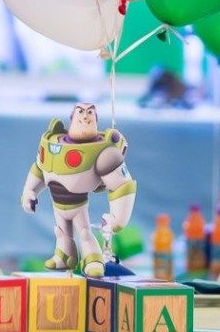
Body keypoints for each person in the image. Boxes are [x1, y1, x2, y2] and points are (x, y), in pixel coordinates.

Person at [21, 103, 137, 277]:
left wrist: (118, 219)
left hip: (78, 205)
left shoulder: (104, 152)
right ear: (72, 118)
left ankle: (93, 259)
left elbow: (121, 185)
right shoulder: (52, 142)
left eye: (90, 112)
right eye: (81, 112)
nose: (85, 116)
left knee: (84, 232)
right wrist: (29, 192)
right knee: (61, 232)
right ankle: (64, 256)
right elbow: (39, 168)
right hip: (57, 204)